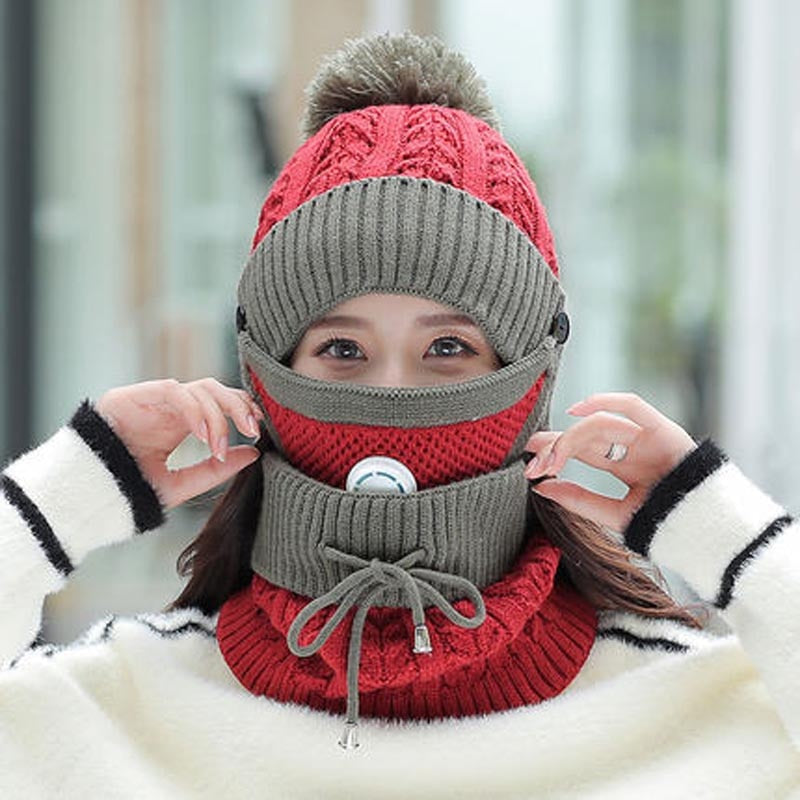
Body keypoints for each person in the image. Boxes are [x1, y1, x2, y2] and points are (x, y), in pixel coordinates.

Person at [1, 31, 799, 799]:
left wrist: (715, 525)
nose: (392, 394)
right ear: (263, 375)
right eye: (341, 351)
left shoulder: (694, 708)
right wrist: (76, 487)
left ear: (530, 375)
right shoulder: (119, 710)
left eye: (449, 347)